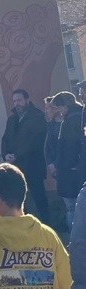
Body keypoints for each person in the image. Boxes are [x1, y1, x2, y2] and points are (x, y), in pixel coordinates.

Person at [1, 88, 49, 223]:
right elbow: (5, 139)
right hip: (16, 167)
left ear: (27, 100)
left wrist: (16, 155)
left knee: (39, 197)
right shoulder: (12, 119)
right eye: (14, 101)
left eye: (19, 100)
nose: (17, 103)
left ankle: (47, 225)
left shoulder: (37, 116)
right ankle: (24, 225)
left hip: (33, 165)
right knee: (20, 199)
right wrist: (6, 155)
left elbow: (34, 142)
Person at [53, 90, 86, 230]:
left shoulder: (72, 120)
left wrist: (68, 166)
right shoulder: (78, 116)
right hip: (74, 171)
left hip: (71, 173)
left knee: (73, 208)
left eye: (59, 107)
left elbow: (70, 148)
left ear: (66, 105)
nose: (58, 111)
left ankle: (74, 239)